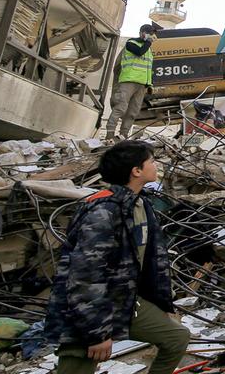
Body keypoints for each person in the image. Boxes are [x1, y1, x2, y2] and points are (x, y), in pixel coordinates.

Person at [44, 141, 189, 374]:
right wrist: (97, 333)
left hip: (126, 301)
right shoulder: (103, 211)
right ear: (136, 171)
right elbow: (85, 277)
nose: (156, 165)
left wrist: (162, 303)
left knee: (176, 337)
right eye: (151, 161)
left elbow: (152, 261)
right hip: (88, 312)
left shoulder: (141, 203)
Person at [108, 23, 162, 139]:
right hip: (128, 81)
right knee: (120, 108)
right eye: (151, 34)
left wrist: (149, 84)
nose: (153, 36)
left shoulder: (148, 50)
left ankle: (123, 135)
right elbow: (139, 52)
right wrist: (148, 41)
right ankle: (109, 135)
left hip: (141, 85)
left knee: (133, 112)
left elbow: (148, 68)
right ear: (143, 33)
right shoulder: (131, 43)